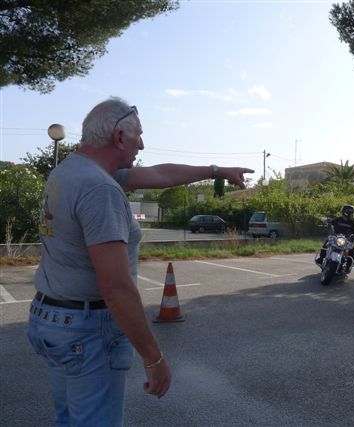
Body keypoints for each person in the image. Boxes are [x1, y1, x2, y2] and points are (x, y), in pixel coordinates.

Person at [28, 97, 253, 427]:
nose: (143, 145)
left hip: (51, 320)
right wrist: (154, 357)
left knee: (70, 420)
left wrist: (216, 171)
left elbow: (161, 173)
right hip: (87, 332)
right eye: (140, 136)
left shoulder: (69, 171)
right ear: (119, 137)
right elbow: (116, 288)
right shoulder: (100, 188)